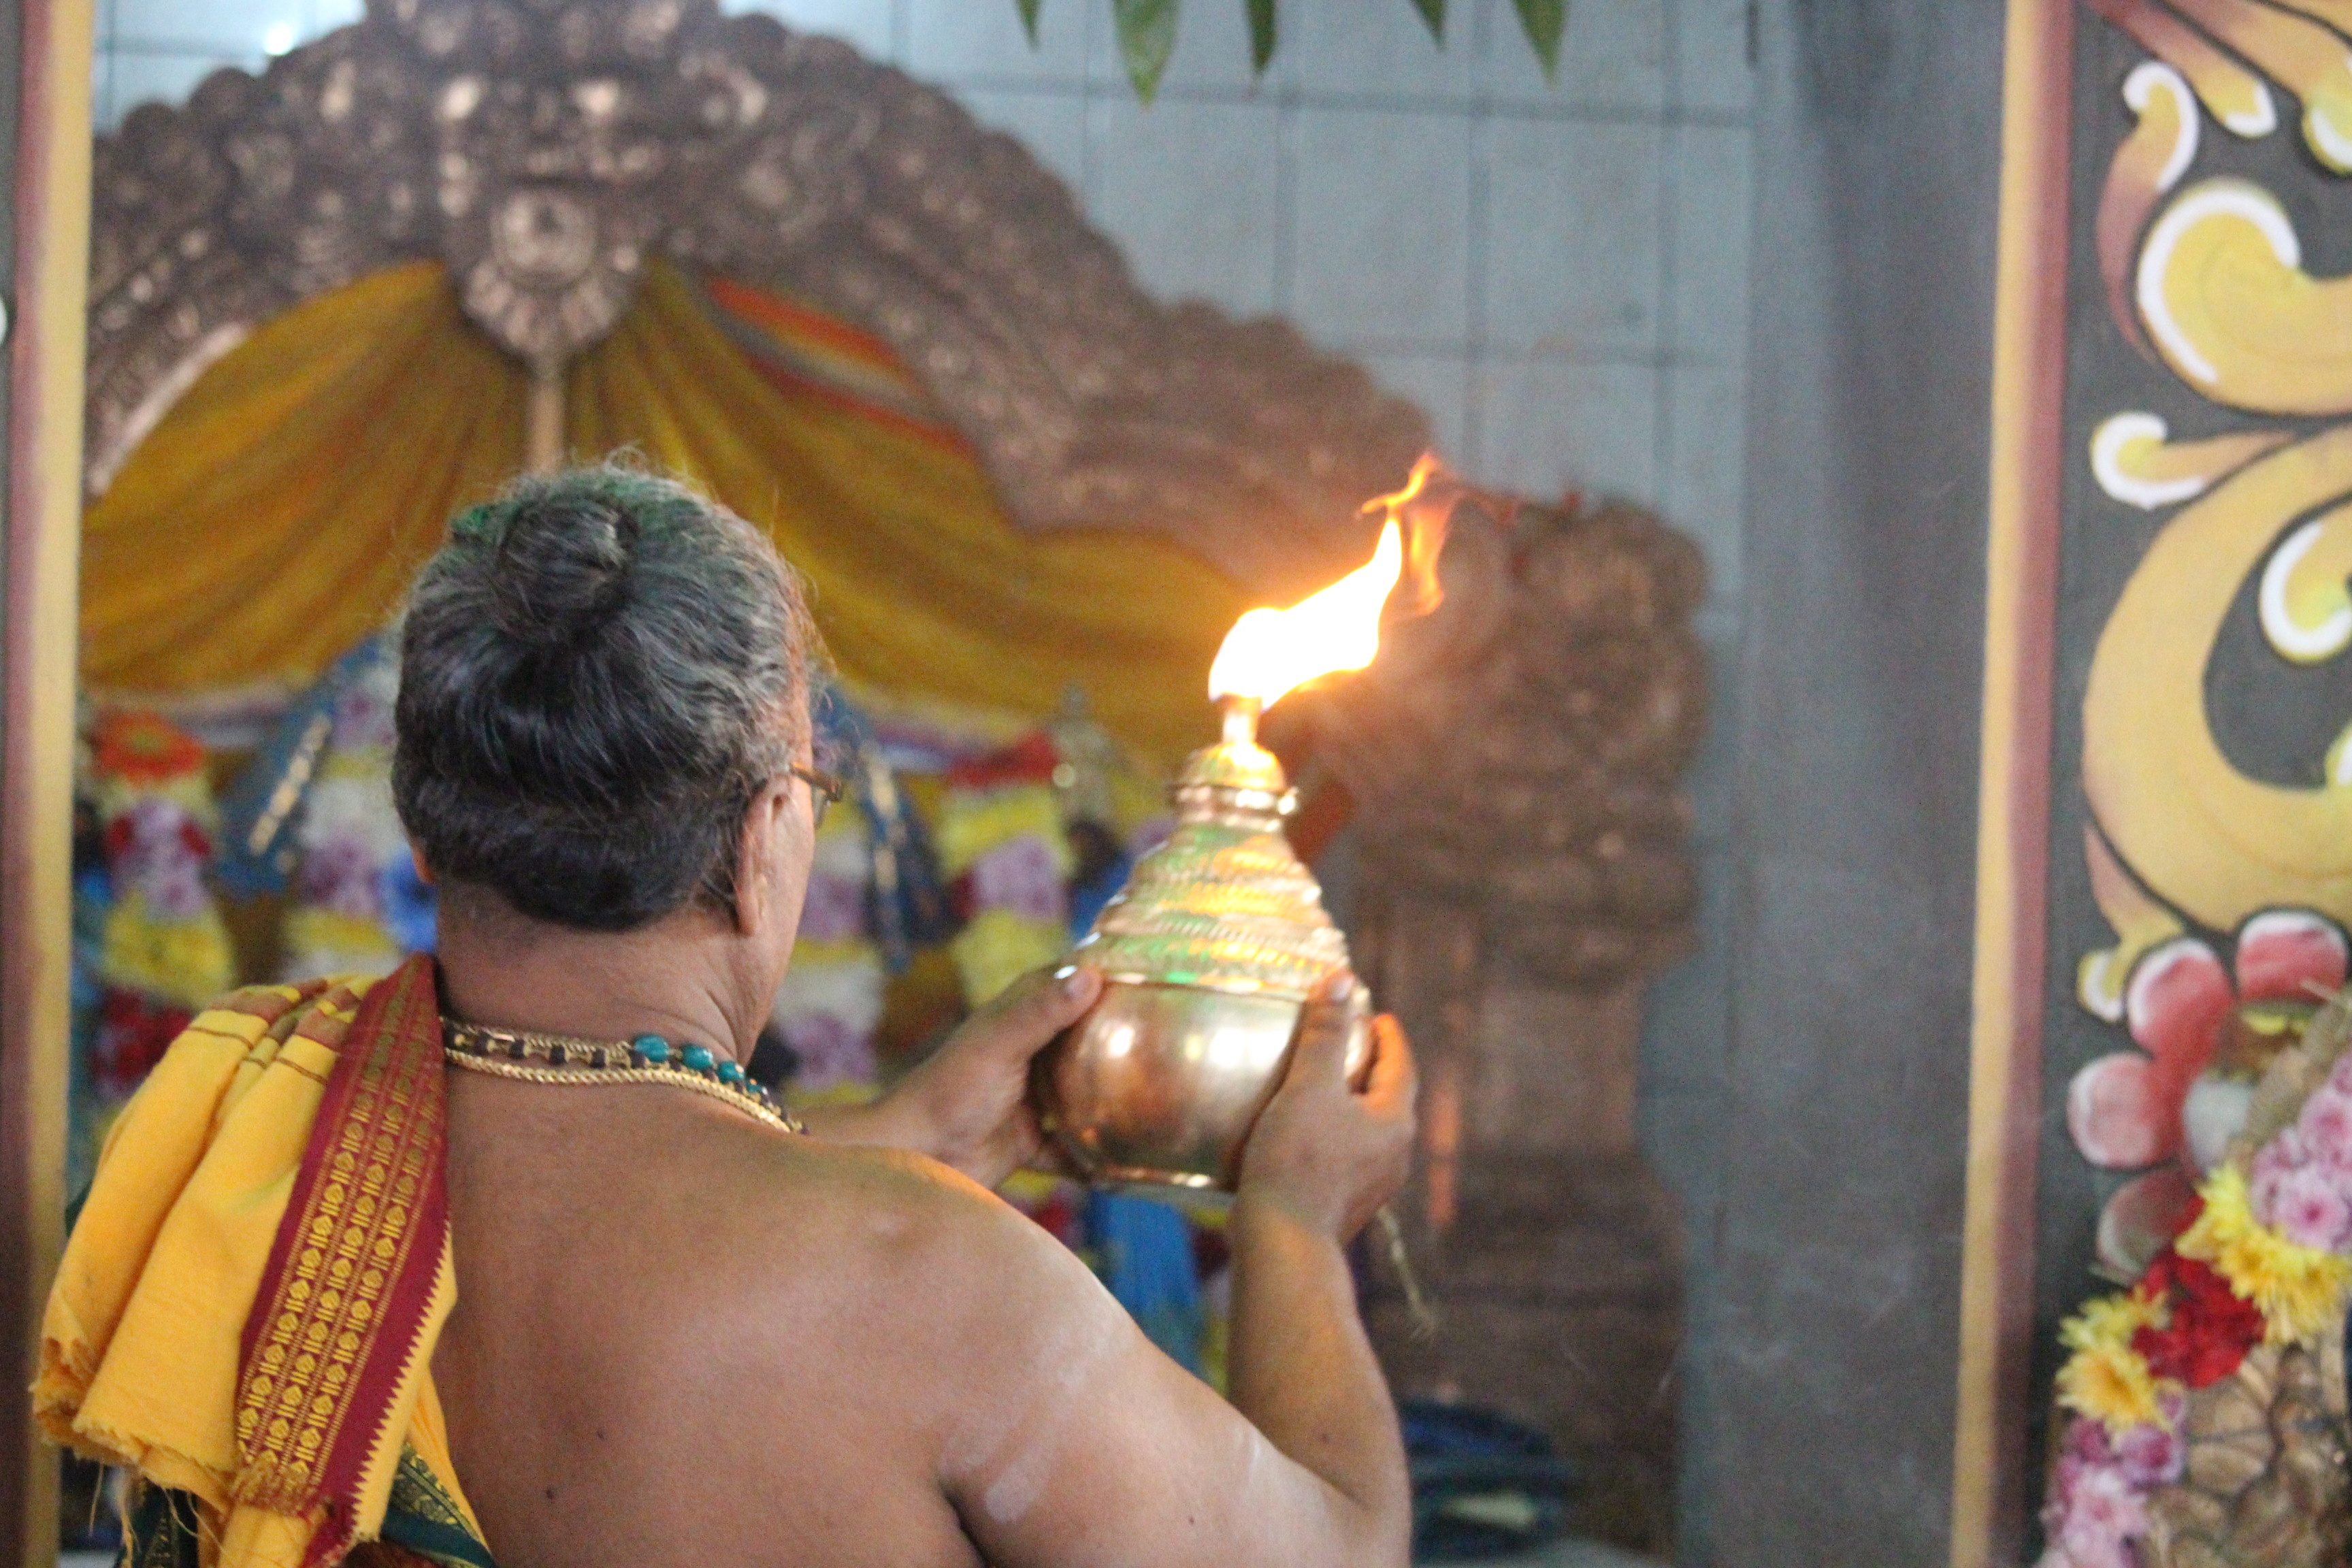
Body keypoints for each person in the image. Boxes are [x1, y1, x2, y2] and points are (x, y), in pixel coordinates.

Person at [37, 466, 1418, 1568]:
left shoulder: (254, 1147)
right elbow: (1345, 1549)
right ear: (765, 837)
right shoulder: (935, 1288)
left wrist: (895, 1139)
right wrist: (1298, 1224)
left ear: (421, 814)